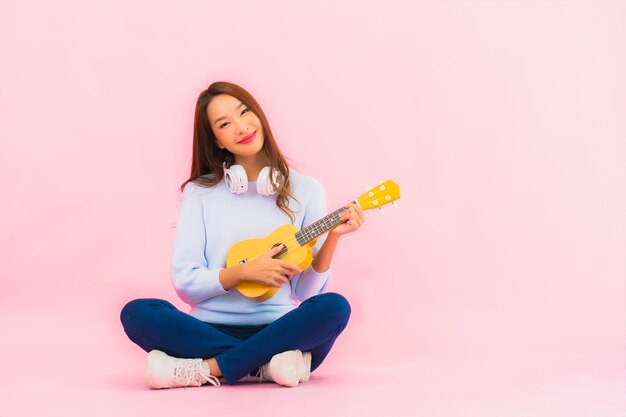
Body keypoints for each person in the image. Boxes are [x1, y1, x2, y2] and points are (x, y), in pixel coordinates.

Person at [120, 81, 364, 389]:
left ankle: (208, 368)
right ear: (217, 140)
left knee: (334, 307)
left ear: (258, 114)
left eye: (244, 112)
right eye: (225, 123)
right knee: (137, 313)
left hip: (281, 327)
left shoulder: (308, 190)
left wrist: (333, 238)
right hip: (208, 328)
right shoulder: (200, 193)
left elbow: (305, 294)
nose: (241, 126)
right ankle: (263, 367)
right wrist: (242, 273)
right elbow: (185, 282)